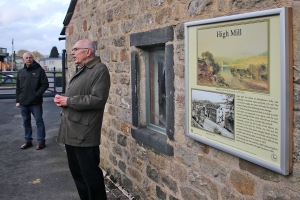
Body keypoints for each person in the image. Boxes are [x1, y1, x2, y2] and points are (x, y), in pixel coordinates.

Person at [54, 39, 110, 200]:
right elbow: (79, 94)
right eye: (72, 50)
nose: (72, 53)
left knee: (91, 177)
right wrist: (63, 98)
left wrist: (68, 101)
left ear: (88, 52)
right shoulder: (81, 69)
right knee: (78, 176)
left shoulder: (99, 70)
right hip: (70, 131)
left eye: (76, 49)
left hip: (84, 133)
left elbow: (98, 99)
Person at [16, 52, 49, 150]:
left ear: (33, 58)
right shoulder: (20, 72)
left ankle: (41, 141)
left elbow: (45, 84)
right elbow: (18, 87)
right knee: (26, 122)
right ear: (23, 60)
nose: (28, 59)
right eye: (26, 58)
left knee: (39, 122)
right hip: (23, 102)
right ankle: (28, 141)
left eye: (30, 57)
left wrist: (37, 94)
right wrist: (18, 100)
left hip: (36, 102)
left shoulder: (39, 70)